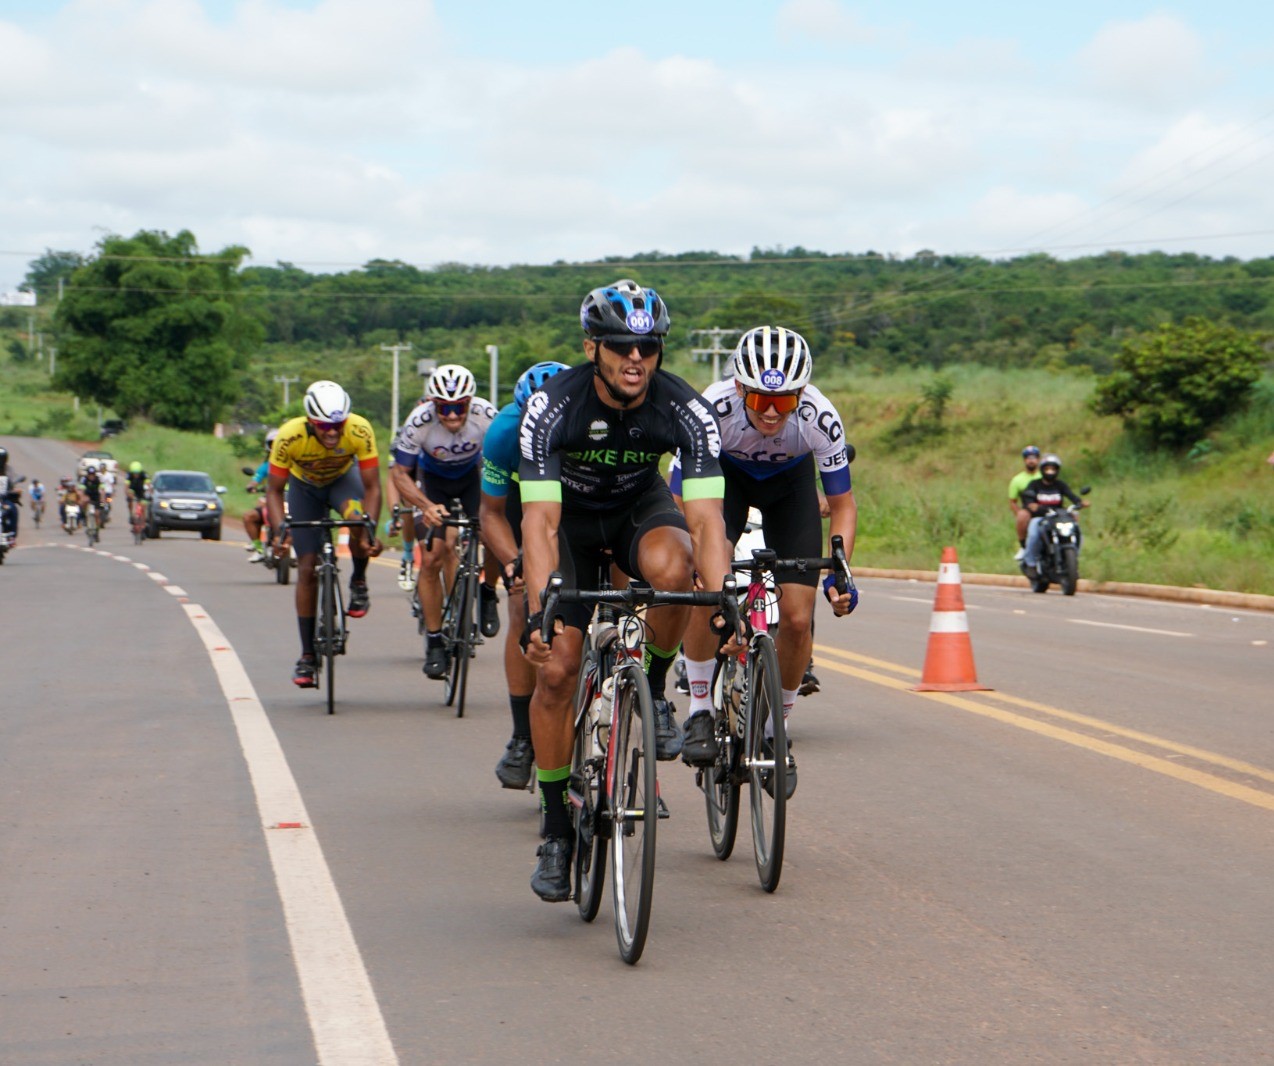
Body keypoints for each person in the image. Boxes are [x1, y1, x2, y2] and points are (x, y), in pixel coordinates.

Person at [518, 278, 735, 902]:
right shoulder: (552, 409)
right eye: (620, 345)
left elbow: (706, 519)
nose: (635, 358)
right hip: (571, 527)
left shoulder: (685, 409)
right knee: (557, 670)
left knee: (676, 571)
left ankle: (657, 688)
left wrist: (722, 603)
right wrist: (540, 610)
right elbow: (540, 522)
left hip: (639, 510)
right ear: (593, 348)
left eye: (648, 345)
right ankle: (557, 828)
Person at [669, 326, 858, 795]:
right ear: (739, 389)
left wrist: (839, 570)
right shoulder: (712, 410)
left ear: (802, 394)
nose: (773, 412)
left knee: (796, 619)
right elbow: (680, 502)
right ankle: (698, 709)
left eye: (786, 401)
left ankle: (778, 731)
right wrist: (701, 560)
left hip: (790, 487)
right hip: (723, 481)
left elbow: (843, 506)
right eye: (760, 401)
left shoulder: (819, 415)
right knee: (707, 589)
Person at [480, 360, 570, 790]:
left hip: (580, 500)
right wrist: (514, 560)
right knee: (521, 604)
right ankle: (522, 736)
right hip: (524, 501)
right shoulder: (502, 433)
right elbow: (491, 514)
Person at [265, 380, 383, 687]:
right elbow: (274, 490)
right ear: (310, 422)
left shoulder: (359, 430)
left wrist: (368, 530)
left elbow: (372, 487)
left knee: (357, 520)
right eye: (323, 426)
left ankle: (358, 579)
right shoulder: (289, 436)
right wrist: (281, 531)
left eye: (337, 426)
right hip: (304, 490)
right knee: (306, 568)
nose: (332, 433)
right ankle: (306, 656)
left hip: (343, 483)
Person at [389, 364, 501, 679]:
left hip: (473, 477)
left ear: (470, 402)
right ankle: (435, 642)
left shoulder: (486, 415)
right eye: (444, 408)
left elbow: (505, 459)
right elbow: (399, 474)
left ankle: (488, 593)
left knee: (494, 533)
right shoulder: (419, 421)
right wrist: (424, 506)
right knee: (436, 554)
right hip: (434, 481)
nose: (452, 415)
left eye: (459, 407)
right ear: (433, 404)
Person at [1020, 453, 1089, 579]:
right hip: (1041, 517)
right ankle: (1030, 563)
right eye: (1047, 469)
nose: (1050, 472)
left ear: (1057, 470)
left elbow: (1071, 496)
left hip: (1058, 517)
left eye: (1053, 469)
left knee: (1076, 530)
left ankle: (1072, 562)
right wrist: (1032, 504)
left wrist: (1080, 503)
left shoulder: (1060, 485)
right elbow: (1028, 497)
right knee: (1034, 533)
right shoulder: (1034, 484)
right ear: (1042, 470)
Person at [383, 456, 418, 590]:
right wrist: (395, 514)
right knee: (410, 504)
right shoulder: (403, 435)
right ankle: (408, 557)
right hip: (411, 470)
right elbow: (394, 475)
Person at [243, 429, 278, 561]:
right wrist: (251, 486)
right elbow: (255, 479)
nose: (276, 447)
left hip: (292, 501)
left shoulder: (295, 464)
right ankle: (259, 549)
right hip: (270, 501)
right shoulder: (266, 466)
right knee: (249, 516)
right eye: (272, 444)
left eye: (279, 444)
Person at [1008, 446, 1042, 560]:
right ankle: (1023, 546)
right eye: (1028, 458)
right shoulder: (1017, 480)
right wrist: (1018, 513)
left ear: (1038, 459)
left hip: (1046, 507)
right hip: (1029, 511)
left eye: (1034, 457)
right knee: (1022, 516)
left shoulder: (1044, 476)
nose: (1031, 460)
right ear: (1024, 460)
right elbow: (1012, 501)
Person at [0, 447, 19, 541]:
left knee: (13, 509)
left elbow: (12, 484)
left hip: (3, 499)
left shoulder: (9, 470)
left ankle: (12, 535)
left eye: (1, 458)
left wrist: (15, 491)